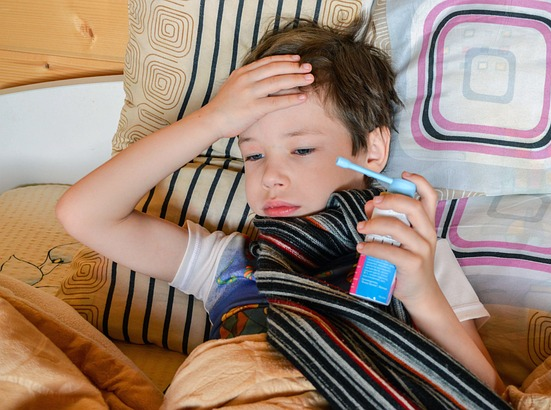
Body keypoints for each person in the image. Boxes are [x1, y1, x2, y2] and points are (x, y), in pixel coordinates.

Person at [56, 19, 505, 396]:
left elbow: (486, 392)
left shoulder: (411, 258)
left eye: (302, 150)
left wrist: (421, 293)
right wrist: (214, 119)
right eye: (252, 155)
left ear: (372, 149)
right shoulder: (229, 265)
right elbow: (83, 214)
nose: (270, 175)